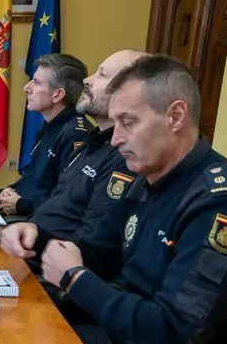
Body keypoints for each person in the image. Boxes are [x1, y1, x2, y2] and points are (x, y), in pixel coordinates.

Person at [1, 55, 227, 344]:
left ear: (175, 116)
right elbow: (98, 252)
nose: (116, 139)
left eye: (128, 122)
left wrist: (74, 278)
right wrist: (37, 236)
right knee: (3, 341)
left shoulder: (225, 206)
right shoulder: (150, 181)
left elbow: (170, 336)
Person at [25, 50, 148, 246]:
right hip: (31, 241)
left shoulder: (125, 156)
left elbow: (92, 244)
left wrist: (32, 238)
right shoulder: (93, 143)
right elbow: (58, 203)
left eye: (102, 75)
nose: (87, 81)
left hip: (46, 257)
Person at [0, 53, 90, 217]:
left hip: (35, 222)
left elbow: (69, 201)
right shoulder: (50, 123)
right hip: (20, 213)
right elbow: (36, 177)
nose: (27, 88)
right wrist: (11, 190)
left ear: (57, 94)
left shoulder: (75, 135)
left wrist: (21, 204)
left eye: (37, 82)